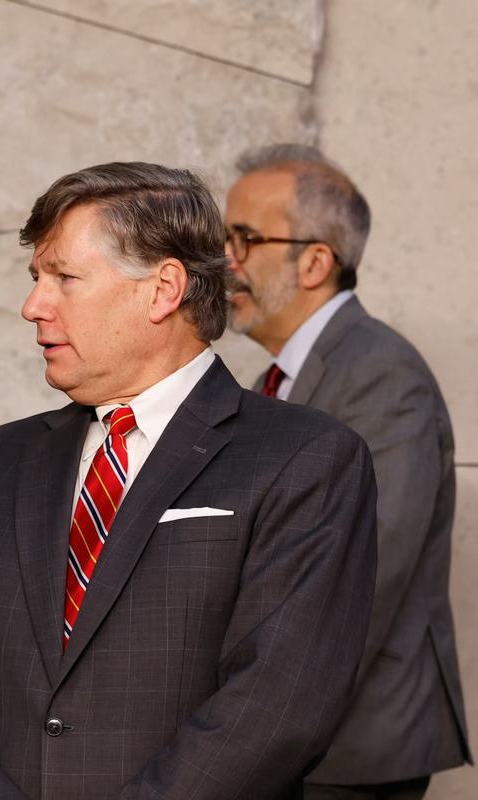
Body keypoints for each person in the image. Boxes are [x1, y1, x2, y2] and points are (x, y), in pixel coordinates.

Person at [0, 162, 380, 799]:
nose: (32, 306)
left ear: (164, 288)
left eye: (64, 278)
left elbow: (277, 707)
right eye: (35, 278)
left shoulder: (307, 460)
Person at [224, 143, 470, 799]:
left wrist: (251, 727)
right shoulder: (271, 380)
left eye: (244, 238)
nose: (225, 260)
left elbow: (365, 572)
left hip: (346, 751)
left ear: (314, 261)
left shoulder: (381, 374)